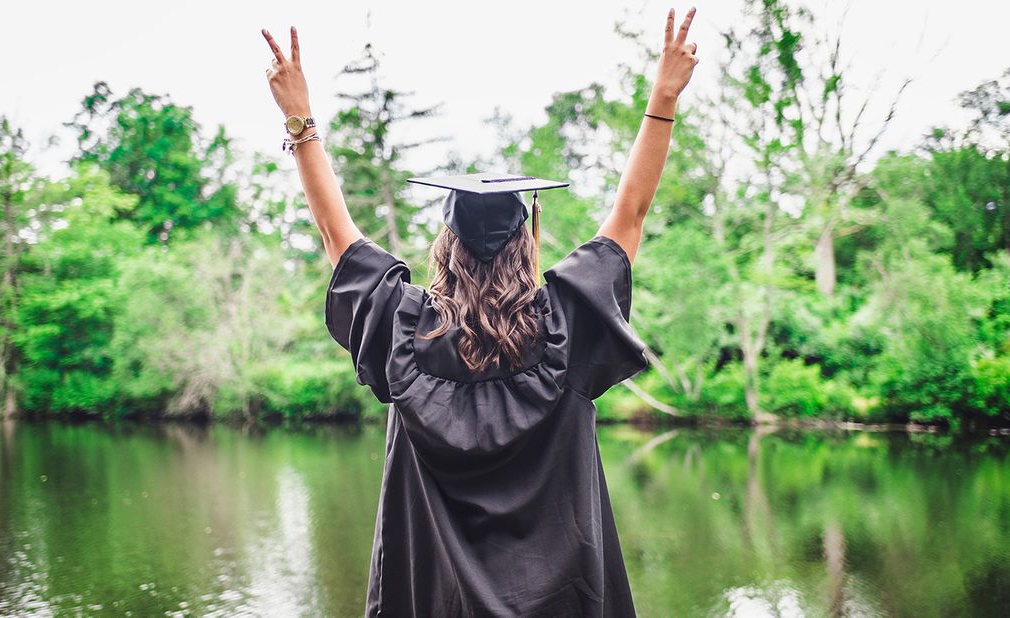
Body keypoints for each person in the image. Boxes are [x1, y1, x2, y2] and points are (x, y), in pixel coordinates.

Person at [262, 7, 699, 616]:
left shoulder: (404, 331)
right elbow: (631, 214)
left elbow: (339, 238)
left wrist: (300, 121)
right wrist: (663, 99)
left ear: (448, 244)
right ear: (527, 238)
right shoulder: (566, 325)